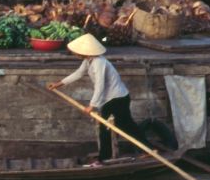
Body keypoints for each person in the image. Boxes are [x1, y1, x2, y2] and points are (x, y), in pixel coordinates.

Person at [47, 32, 145, 167]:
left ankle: (104, 158)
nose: (75, 54)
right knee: (124, 125)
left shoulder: (99, 63)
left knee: (113, 127)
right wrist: (59, 83)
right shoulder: (89, 61)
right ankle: (145, 149)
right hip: (111, 99)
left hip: (117, 98)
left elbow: (100, 85)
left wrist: (92, 105)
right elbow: (78, 73)